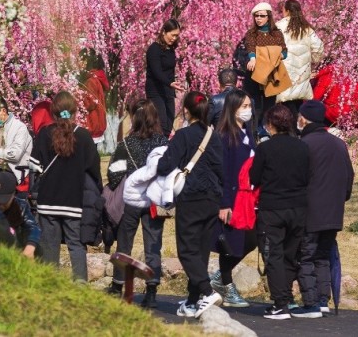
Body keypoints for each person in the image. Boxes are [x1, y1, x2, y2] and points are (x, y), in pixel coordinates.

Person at [156, 91, 224, 318]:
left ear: (186, 110)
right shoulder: (214, 136)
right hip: (213, 196)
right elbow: (221, 169)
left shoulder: (183, 135)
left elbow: (166, 165)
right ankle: (193, 300)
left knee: (186, 250)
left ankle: (206, 291)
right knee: (201, 249)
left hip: (192, 196)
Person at [30, 91, 102, 281]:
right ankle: (80, 284)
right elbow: (93, 170)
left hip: (48, 201)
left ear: (53, 111)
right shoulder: (84, 136)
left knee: (50, 246)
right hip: (74, 201)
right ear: (75, 111)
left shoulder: (44, 133)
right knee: (76, 245)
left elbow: (34, 166)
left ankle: (51, 286)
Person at [293, 100, 355, 317]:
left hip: (310, 212)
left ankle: (310, 304)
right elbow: (349, 178)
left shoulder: (304, 144)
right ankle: (322, 300)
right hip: (333, 212)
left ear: (302, 118)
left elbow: (297, 179)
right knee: (323, 257)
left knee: (306, 256)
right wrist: (339, 200)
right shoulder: (339, 144)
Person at [250, 103, 311, 320]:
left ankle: (280, 303)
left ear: (270, 124)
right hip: (298, 207)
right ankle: (285, 298)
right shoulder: (303, 147)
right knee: (290, 254)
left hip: (273, 208)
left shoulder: (265, 148)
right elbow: (308, 177)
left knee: (273, 255)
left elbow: (254, 179)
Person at [106, 98, 168, 307]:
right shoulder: (162, 143)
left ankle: (117, 286)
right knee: (153, 246)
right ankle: (151, 291)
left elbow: (113, 174)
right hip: (154, 201)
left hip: (131, 202)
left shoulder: (127, 144)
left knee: (124, 244)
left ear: (134, 118)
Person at [210, 89, 258, 308]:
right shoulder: (225, 136)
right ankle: (227, 284)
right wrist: (224, 203)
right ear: (233, 108)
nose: (247, 111)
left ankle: (221, 277)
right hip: (232, 196)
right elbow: (225, 171)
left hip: (248, 197)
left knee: (251, 238)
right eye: (243, 107)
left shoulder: (248, 132)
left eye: (249, 106)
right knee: (231, 242)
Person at [233, 3, 288, 127]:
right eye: (256, 16)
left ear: (268, 16)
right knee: (254, 104)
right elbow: (250, 47)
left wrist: (279, 56)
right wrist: (252, 59)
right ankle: (255, 130)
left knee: (270, 104)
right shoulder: (251, 33)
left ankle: (267, 130)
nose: (258, 18)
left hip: (271, 74)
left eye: (262, 16)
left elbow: (284, 50)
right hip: (254, 74)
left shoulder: (276, 34)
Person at [274, 0, 324, 115]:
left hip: (284, 70)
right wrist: (312, 60)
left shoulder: (279, 27)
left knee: (286, 102)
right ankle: (298, 127)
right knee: (298, 100)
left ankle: (290, 129)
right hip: (302, 70)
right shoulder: (306, 29)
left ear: (286, 11)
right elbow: (319, 47)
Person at [0, 169, 41, 259]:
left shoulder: (21, 206)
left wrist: (30, 246)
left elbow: (32, 227)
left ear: (13, 195)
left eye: (3, 201)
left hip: (14, 251)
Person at [145, 18, 184, 135]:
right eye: (172, 35)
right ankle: (157, 149)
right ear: (164, 32)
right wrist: (170, 83)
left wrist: (173, 84)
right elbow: (157, 71)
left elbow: (170, 71)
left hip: (168, 90)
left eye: (177, 36)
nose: (174, 38)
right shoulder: (154, 49)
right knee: (160, 122)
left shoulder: (171, 49)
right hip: (155, 90)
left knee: (169, 121)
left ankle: (164, 147)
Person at [80, 61, 110, 142]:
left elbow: (90, 103)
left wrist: (78, 101)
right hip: (99, 122)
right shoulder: (99, 79)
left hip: (92, 123)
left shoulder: (91, 81)